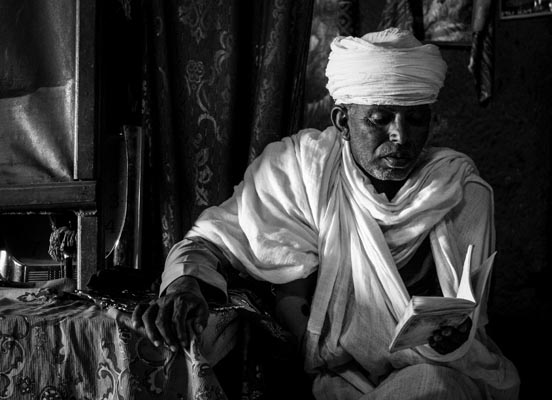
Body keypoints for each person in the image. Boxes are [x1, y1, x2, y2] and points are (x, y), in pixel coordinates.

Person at [132, 28, 520, 399]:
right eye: (381, 119)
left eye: (416, 119)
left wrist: (454, 338)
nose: (401, 136)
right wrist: (184, 285)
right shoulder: (303, 170)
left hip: (438, 371)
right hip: (341, 380)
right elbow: (208, 242)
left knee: (435, 384)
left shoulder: (457, 187)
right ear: (342, 121)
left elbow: (466, 318)